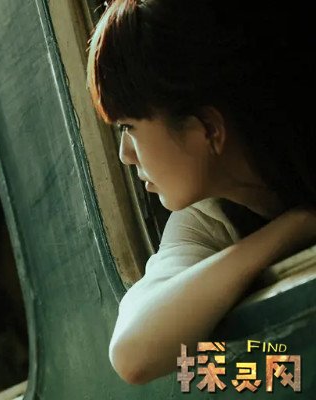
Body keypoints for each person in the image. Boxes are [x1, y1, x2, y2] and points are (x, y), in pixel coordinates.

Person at [86, 0, 316, 384]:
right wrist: (296, 225)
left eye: (129, 127)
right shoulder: (205, 216)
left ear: (207, 128)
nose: (125, 154)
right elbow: (133, 350)